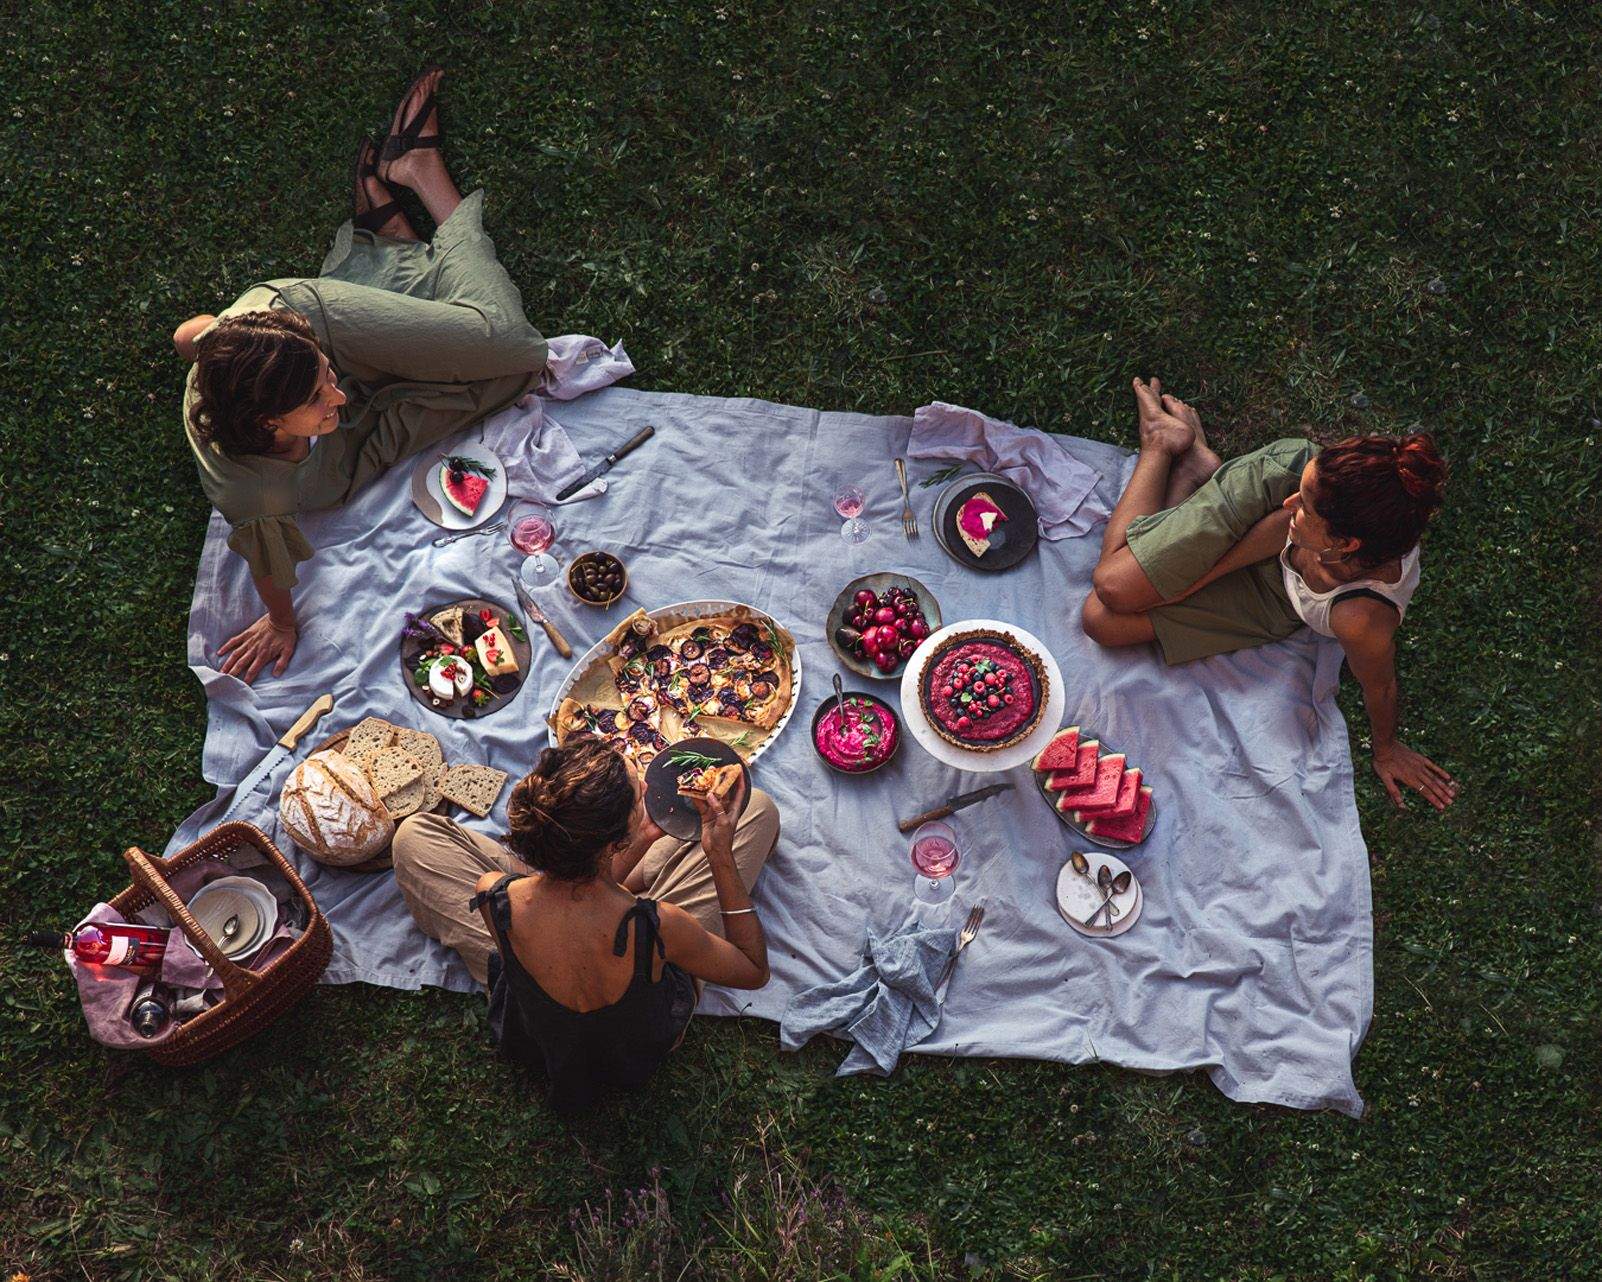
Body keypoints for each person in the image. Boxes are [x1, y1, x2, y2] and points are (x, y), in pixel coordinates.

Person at [174, 68, 547, 682]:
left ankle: (424, 176)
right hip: (331, 462)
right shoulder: (251, 492)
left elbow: (188, 336)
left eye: (328, 380)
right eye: (319, 398)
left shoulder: (270, 332)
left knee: (512, 350)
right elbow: (269, 562)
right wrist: (283, 623)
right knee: (499, 386)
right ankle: (393, 246)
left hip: (319, 321)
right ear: (267, 423)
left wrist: (227, 338)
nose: (339, 396)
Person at [1082, 378, 1459, 812]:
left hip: (1276, 600)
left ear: (1346, 545)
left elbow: (1382, 686)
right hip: (1258, 513)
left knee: (1100, 620)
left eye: (1305, 507)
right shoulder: (1292, 490)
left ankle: (1190, 471)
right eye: (1304, 490)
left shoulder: (1359, 617)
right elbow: (1277, 526)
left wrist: (1386, 749)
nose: (1291, 501)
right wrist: (1182, 586)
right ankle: (1161, 443)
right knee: (1114, 585)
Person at [391, 739, 779, 1112]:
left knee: (413, 835)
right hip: (635, 1032)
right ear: (614, 843)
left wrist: (643, 835)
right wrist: (719, 854)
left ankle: (591, 864)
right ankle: (644, 869)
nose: (647, 786)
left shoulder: (494, 894)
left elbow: (574, 919)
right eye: (639, 794)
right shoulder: (661, 925)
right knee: (757, 808)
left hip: (537, 1024)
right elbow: (752, 969)